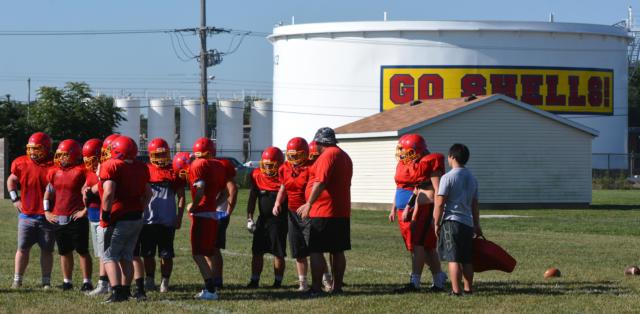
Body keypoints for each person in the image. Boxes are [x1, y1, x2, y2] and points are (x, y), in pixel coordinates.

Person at [297, 127, 352, 295]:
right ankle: (337, 287)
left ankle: (315, 287)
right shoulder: (344, 155)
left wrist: (309, 203)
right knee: (337, 249)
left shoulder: (327, 156)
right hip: (340, 210)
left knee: (316, 249)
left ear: (319, 142)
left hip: (323, 210)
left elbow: (320, 182)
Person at [390, 134, 447, 292]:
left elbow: (437, 191)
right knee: (426, 247)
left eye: (407, 152)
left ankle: (415, 282)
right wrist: (407, 205)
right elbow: (417, 187)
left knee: (418, 245)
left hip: (424, 209)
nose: (403, 154)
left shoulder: (429, 162)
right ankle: (438, 280)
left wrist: (436, 214)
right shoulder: (414, 163)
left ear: (417, 151)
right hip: (415, 208)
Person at [274, 137, 331, 291]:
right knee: (298, 249)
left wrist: (310, 206)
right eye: (290, 155)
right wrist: (278, 202)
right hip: (292, 213)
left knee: (315, 249)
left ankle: (326, 279)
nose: (292, 159)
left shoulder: (311, 167)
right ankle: (303, 283)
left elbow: (318, 188)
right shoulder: (284, 168)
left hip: (309, 212)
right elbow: (283, 187)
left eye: (296, 155)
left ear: (305, 154)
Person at [99, 136, 152, 302]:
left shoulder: (111, 165)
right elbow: (148, 193)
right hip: (136, 216)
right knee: (127, 256)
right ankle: (126, 290)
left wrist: (106, 214)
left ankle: (116, 292)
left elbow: (108, 192)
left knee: (109, 256)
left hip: (119, 217)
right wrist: (140, 208)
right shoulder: (141, 167)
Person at [135, 138, 185, 294]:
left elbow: (181, 196)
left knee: (166, 254)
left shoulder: (173, 172)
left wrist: (179, 217)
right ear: (150, 155)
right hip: (148, 220)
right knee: (147, 254)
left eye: (164, 154)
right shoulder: (145, 170)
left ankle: (165, 280)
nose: (161, 158)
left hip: (167, 221)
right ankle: (149, 279)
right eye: (158, 155)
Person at [43, 139, 93, 291]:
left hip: (76, 217)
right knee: (64, 251)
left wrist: (85, 211)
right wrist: (46, 211)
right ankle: (67, 281)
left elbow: (90, 193)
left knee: (82, 250)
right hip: (59, 216)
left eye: (65, 155)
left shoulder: (83, 171)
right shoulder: (53, 171)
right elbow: (48, 193)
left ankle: (87, 281)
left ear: (74, 155)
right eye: (60, 154)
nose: (61, 158)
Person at [7, 132, 55, 289]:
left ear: (47, 148)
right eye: (31, 148)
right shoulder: (21, 162)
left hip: (47, 216)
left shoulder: (54, 164)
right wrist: (15, 199)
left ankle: (46, 281)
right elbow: (11, 181)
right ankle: (17, 279)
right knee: (22, 248)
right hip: (26, 215)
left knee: (47, 250)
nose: (33, 152)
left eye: (37, 149)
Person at [433, 143, 481, 296]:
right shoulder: (472, 178)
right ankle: (468, 289)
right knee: (467, 258)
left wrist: (436, 222)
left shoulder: (448, 177)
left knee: (453, 257)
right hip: (467, 222)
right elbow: (475, 204)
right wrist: (476, 224)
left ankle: (456, 291)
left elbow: (440, 202)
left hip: (452, 221)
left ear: (452, 157)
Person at [187, 137, 228, 300]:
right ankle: (211, 287)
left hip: (202, 214)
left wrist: (195, 205)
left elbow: (200, 188)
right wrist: (213, 204)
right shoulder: (218, 165)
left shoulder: (198, 164)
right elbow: (225, 193)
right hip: (212, 213)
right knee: (209, 252)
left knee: (198, 253)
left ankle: (210, 289)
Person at [246, 146, 288, 288]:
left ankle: (277, 282)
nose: (268, 168)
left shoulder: (285, 175)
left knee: (278, 253)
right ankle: (254, 280)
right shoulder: (257, 176)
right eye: (266, 165)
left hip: (279, 221)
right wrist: (249, 218)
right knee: (257, 251)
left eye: (271, 165)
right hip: (262, 219)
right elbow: (252, 198)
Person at [82, 138, 111, 296]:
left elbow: (104, 190)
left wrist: (91, 190)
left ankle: (105, 283)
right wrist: (84, 190)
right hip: (93, 215)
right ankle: (107, 283)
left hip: (104, 215)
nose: (89, 163)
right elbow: (86, 186)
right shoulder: (91, 172)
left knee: (105, 251)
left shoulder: (105, 169)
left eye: (92, 159)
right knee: (100, 252)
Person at [211, 157, 238, 289]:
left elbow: (232, 190)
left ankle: (216, 280)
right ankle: (213, 279)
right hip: (213, 213)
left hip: (218, 214)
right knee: (208, 249)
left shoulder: (222, 167)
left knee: (213, 249)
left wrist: (227, 212)